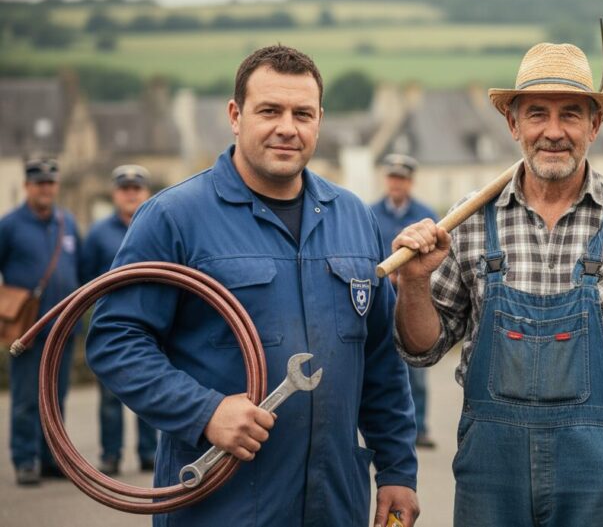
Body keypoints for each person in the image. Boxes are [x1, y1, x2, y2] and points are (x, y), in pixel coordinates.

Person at [86, 45, 419, 526]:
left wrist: (397, 470)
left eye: (302, 113)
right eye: (270, 111)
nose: (288, 127)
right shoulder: (174, 218)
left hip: (334, 506)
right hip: (219, 508)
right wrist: (205, 412)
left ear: (319, 120)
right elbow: (115, 341)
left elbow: (382, 361)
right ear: (235, 115)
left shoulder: (354, 218)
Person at [392, 42, 603, 526]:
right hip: (490, 478)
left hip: (600, 475)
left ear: (594, 126)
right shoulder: (471, 219)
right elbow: (423, 349)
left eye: (571, 115)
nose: (553, 132)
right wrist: (413, 283)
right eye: (537, 114)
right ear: (513, 124)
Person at [0, 158, 81, 486]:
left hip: (63, 328)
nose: (45, 189)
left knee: (56, 397)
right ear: (27, 186)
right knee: (25, 398)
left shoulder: (68, 223)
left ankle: (51, 460)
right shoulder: (10, 225)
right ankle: (25, 460)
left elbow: (84, 267)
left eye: (50, 183)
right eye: (39, 183)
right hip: (28, 329)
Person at [79, 164, 158, 475]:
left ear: (146, 192)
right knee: (111, 397)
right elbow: (86, 278)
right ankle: (110, 455)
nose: (131, 194)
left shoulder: (156, 228)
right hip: (113, 325)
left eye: (136, 189)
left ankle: (149, 453)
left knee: (153, 389)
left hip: (153, 322)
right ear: (115, 193)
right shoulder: (98, 234)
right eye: (125, 189)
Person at [369, 154, 440, 449]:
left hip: (413, 299)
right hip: (381, 298)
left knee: (417, 372)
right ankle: (376, 429)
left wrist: (411, 277)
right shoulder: (370, 213)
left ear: (410, 182)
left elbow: (438, 259)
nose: (396, 183)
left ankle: (418, 427)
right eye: (392, 177)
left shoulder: (426, 215)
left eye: (402, 178)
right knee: (376, 365)